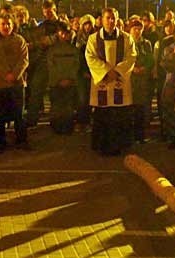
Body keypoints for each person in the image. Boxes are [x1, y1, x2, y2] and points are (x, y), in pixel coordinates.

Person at [85, 7, 136, 156]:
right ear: (102, 19)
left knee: (120, 114)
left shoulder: (126, 38)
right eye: (108, 17)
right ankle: (102, 146)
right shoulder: (93, 38)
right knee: (103, 114)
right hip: (103, 81)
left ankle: (120, 145)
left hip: (119, 80)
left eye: (113, 18)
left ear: (117, 19)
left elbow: (131, 56)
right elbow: (90, 57)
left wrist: (117, 72)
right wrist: (107, 72)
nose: (111, 21)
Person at [0, 13, 29, 153]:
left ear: (13, 25)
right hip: (0, 84)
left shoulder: (20, 40)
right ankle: (0, 142)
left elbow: (24, 60)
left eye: (8, 24)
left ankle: (21, 140)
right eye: (3, 24)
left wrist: (14, 74)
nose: (6, 26)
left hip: (17, 84)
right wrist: (5, 74)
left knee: (19, 114)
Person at [25, 0, 59, 128]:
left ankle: (56, 120)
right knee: (36, 90)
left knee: (56, 93)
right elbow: (38, 41)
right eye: (45, 13)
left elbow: (65, 36)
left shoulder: (61, 24)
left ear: (54, 10)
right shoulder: (42, 26)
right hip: (43, 62)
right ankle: (32, 120)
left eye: (49, 12)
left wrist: (46, 41)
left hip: (58, 63)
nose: (47, 15)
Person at [47, 21, 79, 134]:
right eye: (62, 33)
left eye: (66, 33)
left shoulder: (74, 50)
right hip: (56, 83)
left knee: (68, 106)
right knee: (57, 106)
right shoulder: (52, 50)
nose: (64, 35)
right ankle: (57, 126)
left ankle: (67, 126)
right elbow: (51, 67)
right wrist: (59, 79)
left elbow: (76, 66)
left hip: (70, 82)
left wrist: (69, 79)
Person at [129, 19, 154, 144]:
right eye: (135, 29)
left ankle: (140, 135)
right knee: (130, 107)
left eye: (140, 29)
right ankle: (129, 135)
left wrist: (144, 68)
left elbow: (150, 59)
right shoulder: (127, 43)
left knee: (141, 108)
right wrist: (133, 68)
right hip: (130, 79)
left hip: (143, 80)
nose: (137, 31)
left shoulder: (146, 44)